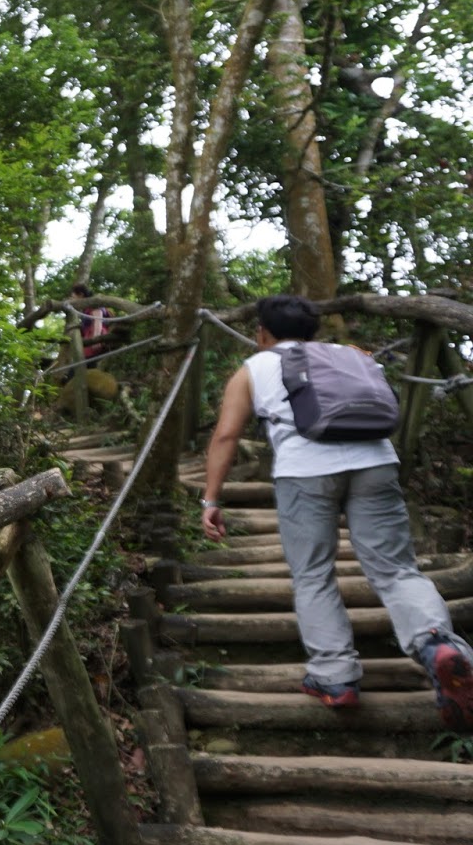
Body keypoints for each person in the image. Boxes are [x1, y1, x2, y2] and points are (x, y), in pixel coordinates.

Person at [200, 294, 473, 729]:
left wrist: (211, 500)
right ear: (313, 331)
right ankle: (439, 643)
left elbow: (226, 435)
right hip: (376, 463)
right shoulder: (350, 355)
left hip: (303, 471)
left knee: (313, 574)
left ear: (262, 334)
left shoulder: (256, 366)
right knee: (397, 570)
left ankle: (335, 676)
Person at [70, 283, 110, 360]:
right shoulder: (85, 309)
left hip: (95, 338)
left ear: (81, 295)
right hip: (89, 340)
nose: (73, 300)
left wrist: (96, 340)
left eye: (74, 297)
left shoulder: (94, 304)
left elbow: (98, 321)